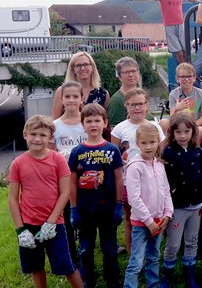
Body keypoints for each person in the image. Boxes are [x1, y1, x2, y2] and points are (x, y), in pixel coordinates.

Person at [7, 115, 83, 288]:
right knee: (36, 267)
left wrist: (51, 221)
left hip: (55, 224)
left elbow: (65, 193)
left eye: (43, 135)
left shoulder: (58, 160)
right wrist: (20, 229)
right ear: (25, 134)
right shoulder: (18, 163)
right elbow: (12, 198)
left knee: (67, 266)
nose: (37, 139)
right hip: (29, 225)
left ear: (50, 138)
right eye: (33, 134)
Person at [68, 103, 124, 287]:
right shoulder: (77, 152)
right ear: (83, 124)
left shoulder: (112, 150)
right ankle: (88, 281)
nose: (93, 125)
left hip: (108, 209)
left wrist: (118, 205)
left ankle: (112, 281)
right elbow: (72, 183)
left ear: (105, 123)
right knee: (85, 249)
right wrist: (74, 209)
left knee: (109, 248)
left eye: (97, 120)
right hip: (85, 210)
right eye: (89, 121)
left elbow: (118, 179)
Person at [111, 88, 166, 257]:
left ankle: (151, 255)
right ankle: (133, 256)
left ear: (147, 105)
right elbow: (115, 159)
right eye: (132, 104)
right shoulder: (119, 129)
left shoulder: (155, 126)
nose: (137, 108)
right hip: (129, 183)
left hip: (152, 183)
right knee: (131, 220)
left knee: (151, 217)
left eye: (141, 104)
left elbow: (160, 155)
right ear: (126, 106)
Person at [161, 112, 202, 288]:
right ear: (172, 133)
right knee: (173, 244)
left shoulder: (198, 151)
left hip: (196, 206)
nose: (182, 136)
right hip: (177, 207)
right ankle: (168, 277)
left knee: (192, 241)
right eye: (178, 132)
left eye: (187, 132)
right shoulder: (167, 152)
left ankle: (190, 276)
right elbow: (164, 181)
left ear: (193, 132)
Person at [123, 123, 173, 288]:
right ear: (137, 143)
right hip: (142, 223)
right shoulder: (134, 167)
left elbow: (166, 190)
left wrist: (167, 214)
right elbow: (134, 199)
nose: (148, 146)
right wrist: (148, 221)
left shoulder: (159, 164)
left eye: (152, 142)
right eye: (144, 143)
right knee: (136, 261)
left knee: (153, 257)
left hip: (159, 221)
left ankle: (153, 284)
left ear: (158, 142)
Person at [123, 0, 200, 64]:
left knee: (186, 50)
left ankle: (188, 69)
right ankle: (183, 70)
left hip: (181, 25)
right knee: (179, 52)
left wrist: (201, 3)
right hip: (169, 26)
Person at [51, 81, 88, 265]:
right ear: (62, 99)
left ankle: (87, 254)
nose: (71, 100)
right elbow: (50, 155)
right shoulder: (55, 126)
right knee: (67, 221)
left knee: (86, 221)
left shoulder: (88, 122)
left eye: (75, 96)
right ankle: (73, 260)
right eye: (67, 96)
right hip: (64, 182)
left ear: (82, 98)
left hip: (88, 181)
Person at [52, 51, 110, 119]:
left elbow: (105, 121)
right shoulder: (62, 91)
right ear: (73, 69)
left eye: (86, 64)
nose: (82, 68)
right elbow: (55, 121)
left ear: (92, 68)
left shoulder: (103, 94)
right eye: (78, 65)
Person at [162, 62, 202, 146]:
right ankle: (169, 147)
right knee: (163, 122)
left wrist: (192, 126)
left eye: (189, 76)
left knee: (201, 130)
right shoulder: (173, 94)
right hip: (177, 125)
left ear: (194, 78)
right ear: (177, 78)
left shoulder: (200, 93)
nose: (186, 79)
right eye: (183, 77)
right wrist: (177, 109)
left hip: (193, 125)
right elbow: (172, 118)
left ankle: (193, 151)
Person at [108, 57, 143, 128]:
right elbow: (114, 130)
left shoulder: (142, 95)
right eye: (126, 72)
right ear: (119, 76)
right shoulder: (117, 101)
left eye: (133, 71)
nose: (131, 75)